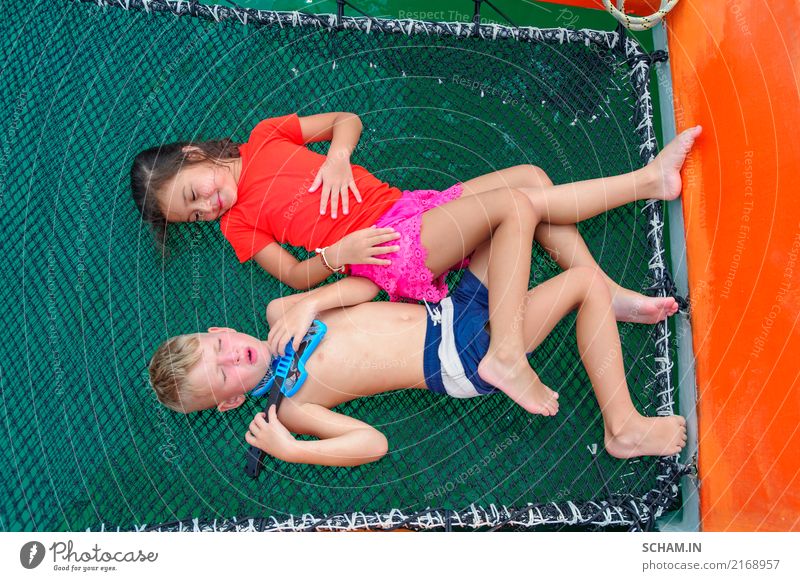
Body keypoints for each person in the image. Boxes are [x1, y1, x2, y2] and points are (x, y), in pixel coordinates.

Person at [132, 112, 701, 409]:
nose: (209, 206)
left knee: (529, 181)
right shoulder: (239, 225)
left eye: (195, 193)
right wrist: (338, 254)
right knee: (517, 205)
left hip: (410, 210)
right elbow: (294, 276)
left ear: (194, 156)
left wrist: (337, 156)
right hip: (392, 250)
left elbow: (345, 120)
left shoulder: (266, 137)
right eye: (197, 217)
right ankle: (647, 180)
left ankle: (612, 294)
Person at [148, 251, 688, 467]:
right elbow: (373, 444)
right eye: (223, 375)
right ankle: (624, 428)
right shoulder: (290, 405)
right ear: (233, 401)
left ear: (219, 329)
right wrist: (290, 451)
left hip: (449, 307)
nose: (231, 357)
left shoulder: (279, 311)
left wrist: (309, 302)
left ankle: (610, 305)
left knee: (517, 206)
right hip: (460, 356)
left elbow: (363, 286)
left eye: (217, 347)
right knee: (582, 286)